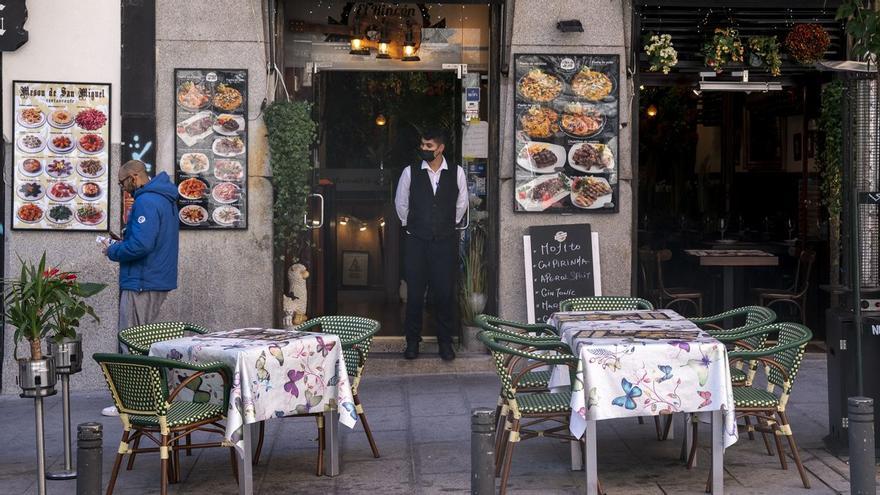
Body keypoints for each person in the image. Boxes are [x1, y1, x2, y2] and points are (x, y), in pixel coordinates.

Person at [100, 160, 180, 415]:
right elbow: (146, 240)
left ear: (134, 177)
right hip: (155, 278)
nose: (124, 189)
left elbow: (141, 246)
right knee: (145, 341)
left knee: (132, 341)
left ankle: (136, 404)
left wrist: (112, 250)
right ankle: (153, 398)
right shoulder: (164, 199)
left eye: (123, 183)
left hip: (143, 281)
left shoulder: (146, 201)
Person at [395, 128, 468, 361]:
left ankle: (445, 343)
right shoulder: (410, 172)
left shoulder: (456, 172)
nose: (424, 150)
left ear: (440, 148)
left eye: (429, 146)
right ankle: (412, 342)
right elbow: (401, 203)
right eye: (423, 146)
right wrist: (413, 225)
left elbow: (462, 203)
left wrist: (447, 224)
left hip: (445, 242)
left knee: (444, 293)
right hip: (416, 240)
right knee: (415, 294)